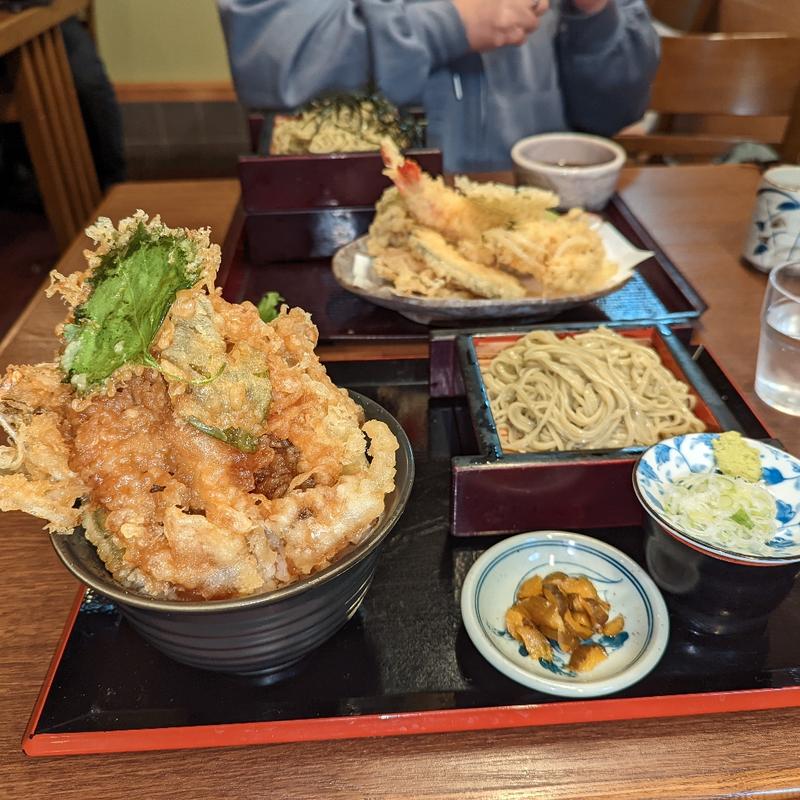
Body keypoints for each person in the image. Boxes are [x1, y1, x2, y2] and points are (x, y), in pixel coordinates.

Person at [217, 0, 659, 172]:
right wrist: (447, 25)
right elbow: (272, 61)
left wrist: (595, 12)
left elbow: (617, 107)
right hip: (350, 225)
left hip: (538, 222)